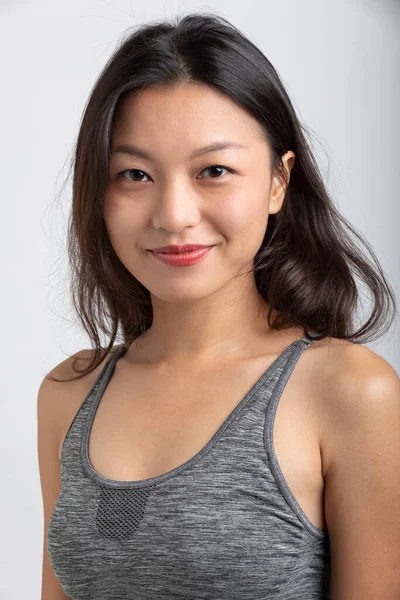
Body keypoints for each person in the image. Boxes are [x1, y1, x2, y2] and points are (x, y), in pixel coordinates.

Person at [37, 11, 400, 600]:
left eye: (214, 170)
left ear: (279, 181)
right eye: (134, 174)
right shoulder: (67, 393)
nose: (174, 214)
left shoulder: (353, 393)